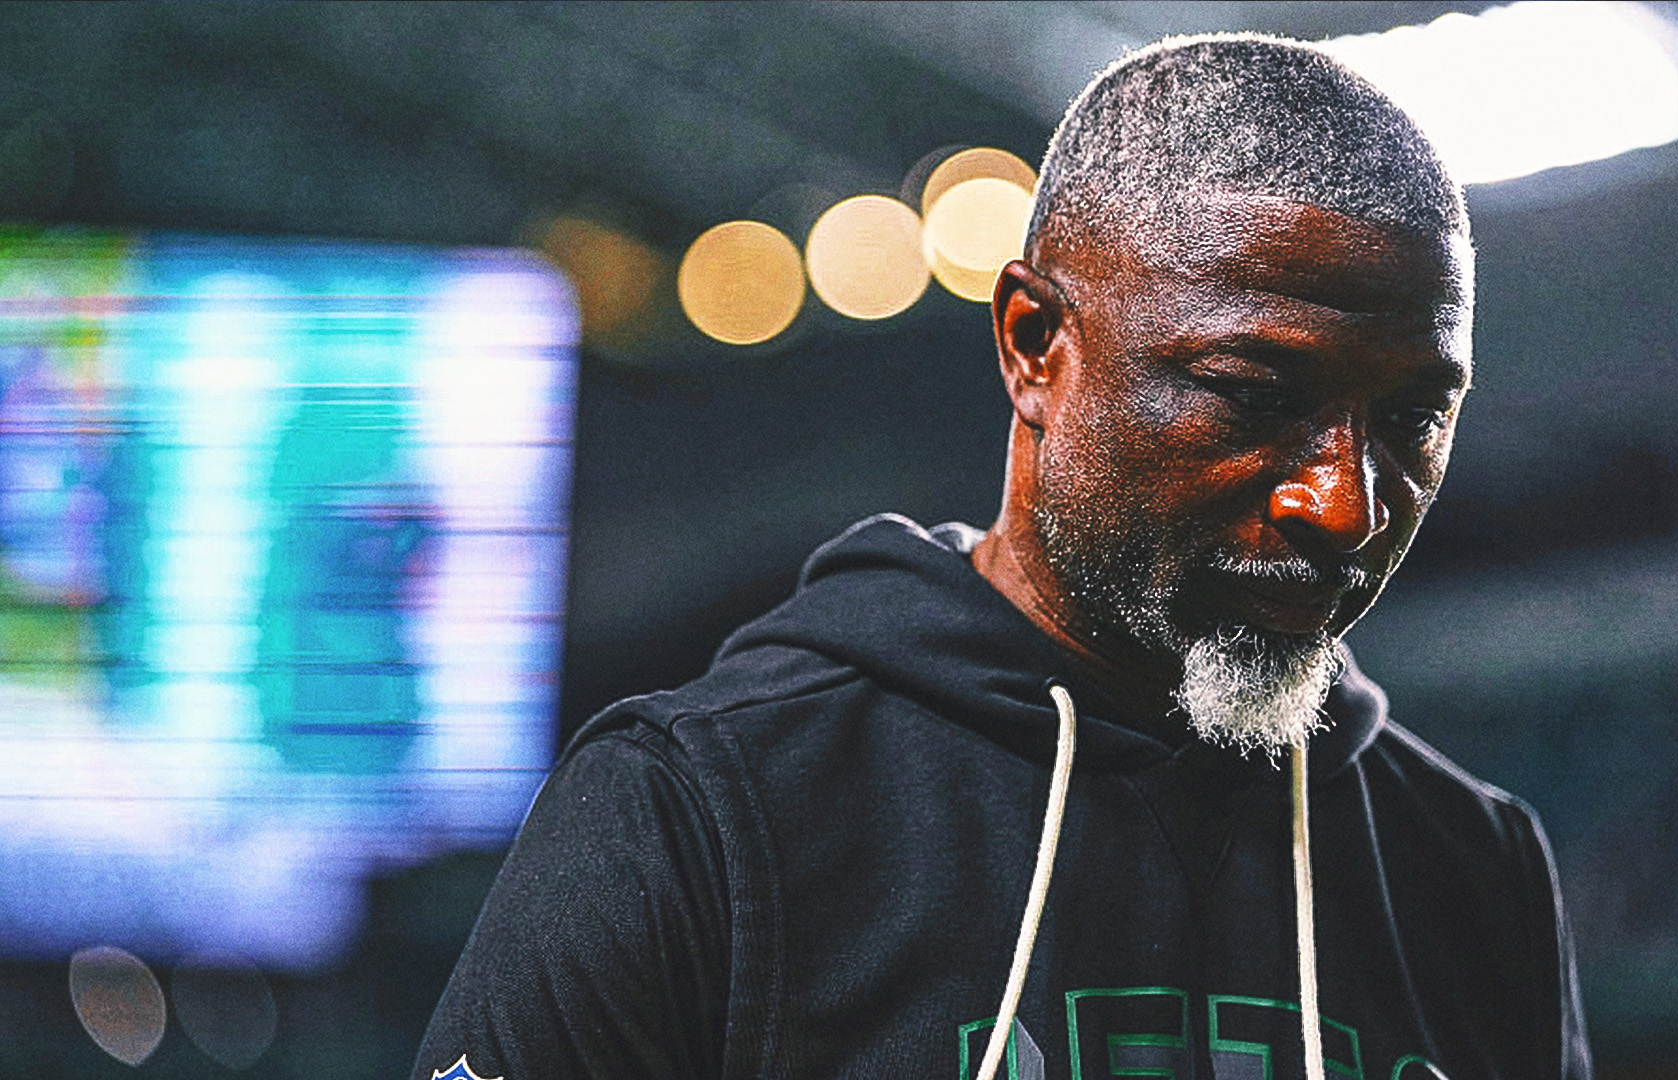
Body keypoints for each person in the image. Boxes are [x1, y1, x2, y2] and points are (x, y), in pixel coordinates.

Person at [417, 33, 1591, 1080]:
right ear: (1034, 345)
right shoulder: (703, 808)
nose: (1344, 506)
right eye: (1252, 393)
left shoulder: (1473, 869)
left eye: (1414, 418)